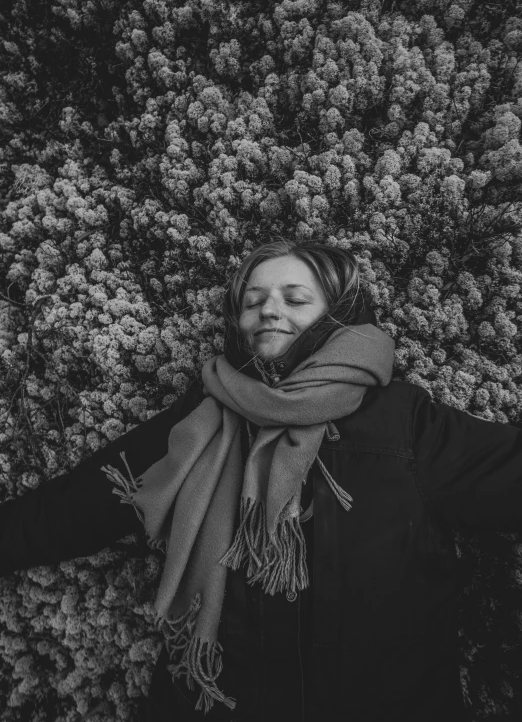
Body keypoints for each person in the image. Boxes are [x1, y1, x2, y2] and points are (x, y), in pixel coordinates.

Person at [1, 238, 521, 722]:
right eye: (254, 301)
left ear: (338, 314)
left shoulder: (407, 423)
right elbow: (70, 511)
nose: (269, 310)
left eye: (295, 298)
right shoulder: (201, 418)